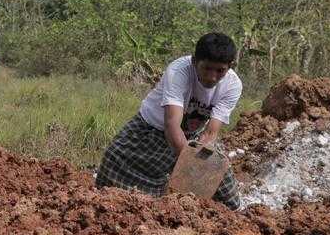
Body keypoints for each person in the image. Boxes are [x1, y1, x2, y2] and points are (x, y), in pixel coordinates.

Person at [96, 32, 243, 210]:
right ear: (195, 61)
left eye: (220, 71)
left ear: (230, 66)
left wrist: (201, 168)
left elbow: (211, 132)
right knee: (117, 188)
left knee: (228, 197)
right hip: (150, 131)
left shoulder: (233, 85)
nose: (212, 77)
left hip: (193, 137)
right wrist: (192, 168)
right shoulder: (178, 71)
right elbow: (171, 125)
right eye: (207, 68)